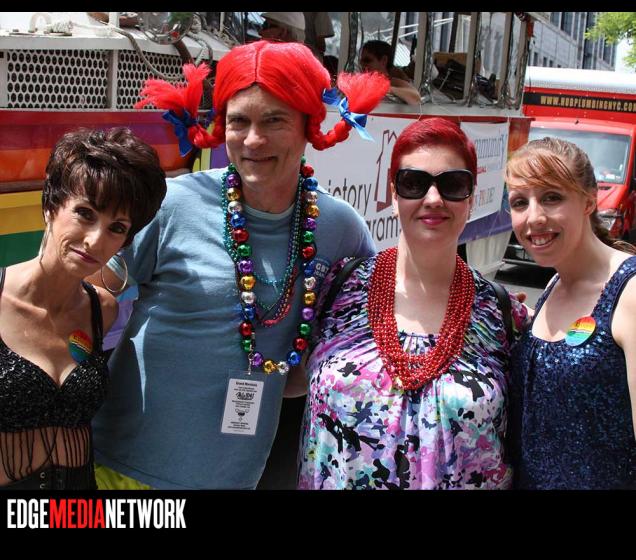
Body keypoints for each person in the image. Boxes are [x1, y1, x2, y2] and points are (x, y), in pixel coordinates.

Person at [91, 40, 390, 489]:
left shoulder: (341, 228)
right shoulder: (174, 204)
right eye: (238, 121)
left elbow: (361, 344)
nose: (253, 140)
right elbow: (89, 290)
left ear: (308, 125)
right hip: (121, 471)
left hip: (236, 477)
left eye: (274, 120)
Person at [293, 118, 529, 489]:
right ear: (394, 194)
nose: (433, 199)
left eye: (453, 185)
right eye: (414, 183)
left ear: (471, 198)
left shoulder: (502, 315)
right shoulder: (338, 289)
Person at [0, 128, 166, 489]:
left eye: (116, 228)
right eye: (85, 214)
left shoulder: (102, 310)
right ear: (50, 206)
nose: (95, 240)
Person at [505, 137, 636, 490]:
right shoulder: (554, 285)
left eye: (552, 197)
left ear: (589, 201)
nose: (534, 217)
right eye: (520, 202)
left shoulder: (629, 292)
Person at [360, 40, 421, 105]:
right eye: (361, 61)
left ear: (384, 60)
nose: (362, 64)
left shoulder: (393, 82)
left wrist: (386, 89)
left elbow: (416, 98)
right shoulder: (361, 82)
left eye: (367, 61)